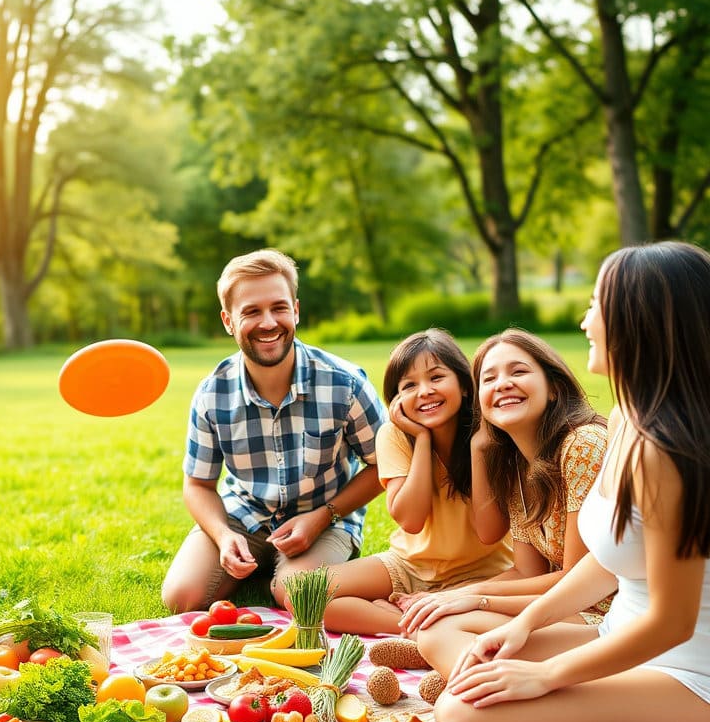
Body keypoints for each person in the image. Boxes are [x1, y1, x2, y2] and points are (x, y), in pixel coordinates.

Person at [419, 241, 710, 722]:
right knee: (449, 639)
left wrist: (548, 676)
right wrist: (525, 626)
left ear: (635, 320)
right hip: (619, 638)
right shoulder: (626, 419)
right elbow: (607, 561)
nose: (584, 320)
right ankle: (561, 702)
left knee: (459, 712)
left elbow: (673, 621)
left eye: (596, 304)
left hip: (687, 670)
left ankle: (562, 706)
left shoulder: (669, 448)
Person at [160, 248, 387, 613]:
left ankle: (287, 572)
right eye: (251, 311)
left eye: (278, 308)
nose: (268, 322)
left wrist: (322, 517)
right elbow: (198, 484)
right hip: (244, 516)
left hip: (325, 517)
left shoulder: (345, 384)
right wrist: (223, 535)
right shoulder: (211, 394)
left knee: (296, 594)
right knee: (181, 597)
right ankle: (256, 563)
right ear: (228, 321)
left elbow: (387, 465)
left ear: (295, 310)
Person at [393, 330, 608, 635]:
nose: (503, 383)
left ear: (554, 389)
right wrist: (445, 598)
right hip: (560, 610)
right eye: (489, 379)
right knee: (439, 625)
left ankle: (477, 675)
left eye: (518, 371)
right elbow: (524, 572)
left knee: (445, 629)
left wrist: (469, 597)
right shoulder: (516, 467)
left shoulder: (582, 445)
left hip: (609, 616)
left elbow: (576, 578)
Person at [323, 329, 513, 636]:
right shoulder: (395, 435)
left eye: (436, 377)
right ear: (397, 399)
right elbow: (410, 520)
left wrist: (479, 448)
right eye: (409, 385)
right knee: (305, 592)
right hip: (409, 565)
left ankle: (426, 611)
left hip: (483, 572)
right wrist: (423, 439)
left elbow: (490, 533)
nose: (424, 391)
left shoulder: (489, 436)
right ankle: (413, 625)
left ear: (465, 386)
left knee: (504, 619)